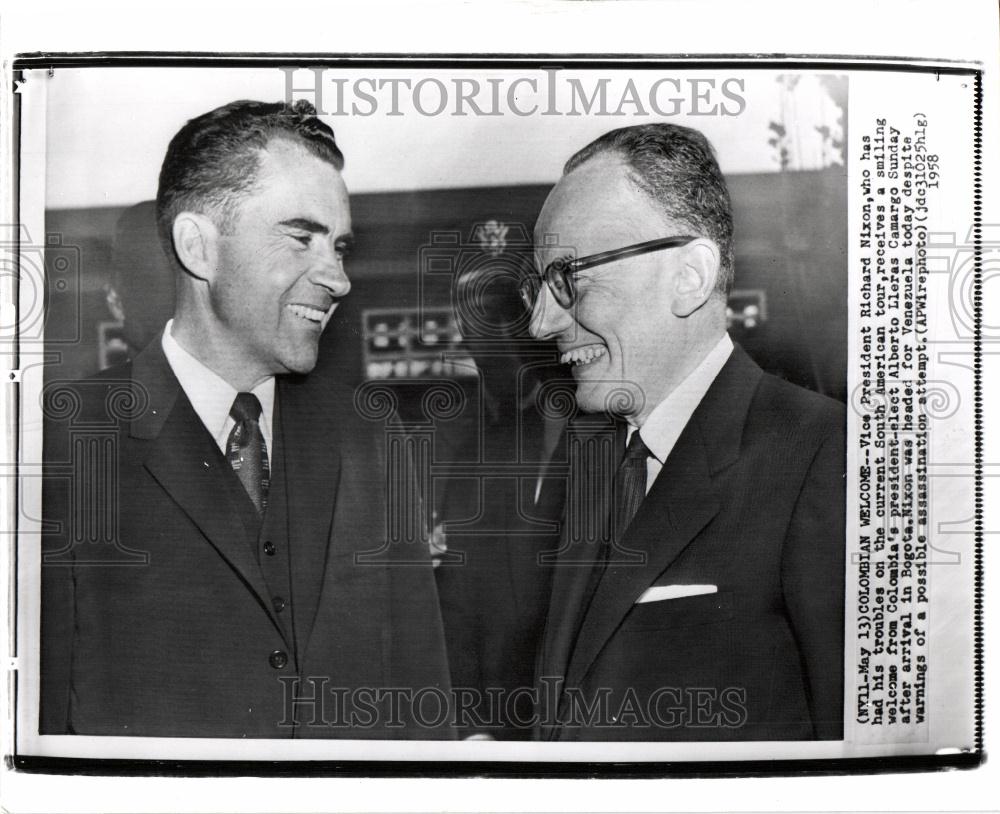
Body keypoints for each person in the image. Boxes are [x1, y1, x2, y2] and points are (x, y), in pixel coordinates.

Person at [39, 100, 452, 739]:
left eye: (339, 246)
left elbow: (424, 704)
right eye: (301, 237)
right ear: (198, 247)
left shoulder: (372, 437)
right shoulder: (56, 444)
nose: (338, 278)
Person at [525, 124, 845, 741]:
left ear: (690, 277)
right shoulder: (588, 462)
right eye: (538, 285)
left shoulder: (825, 458)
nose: (542, 322)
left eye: (567, 276)